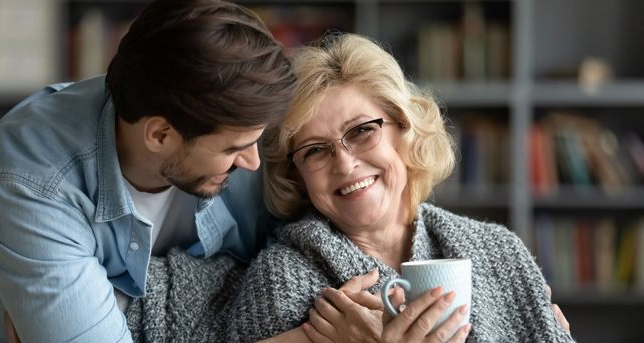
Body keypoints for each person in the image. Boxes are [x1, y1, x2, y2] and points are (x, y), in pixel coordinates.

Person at [0, 0, 298, 341]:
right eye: (232, 149)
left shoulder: (231, 116)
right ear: (159, 134)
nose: (253, 163)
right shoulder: (31, 184)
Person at [223, 33, 575, 343]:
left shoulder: (499, 252)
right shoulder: (279, 282)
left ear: (405, 129)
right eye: (315, 150)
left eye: (362, 131)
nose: (345, 164)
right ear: (295, 176)